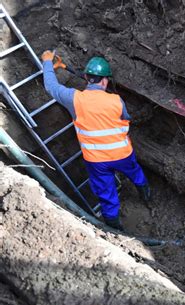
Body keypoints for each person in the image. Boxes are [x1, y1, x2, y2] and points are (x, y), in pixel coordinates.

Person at [41, 50, 151, 231]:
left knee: (106, 192)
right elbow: (125, 118)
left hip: (96, 160)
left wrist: (47, 61)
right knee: (135, 172)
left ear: (86, 77)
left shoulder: (74, 98)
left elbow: (51, 86)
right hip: (122, 154)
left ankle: (115, 229)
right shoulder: (116, 100)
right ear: (105, 80)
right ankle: (145, 194)